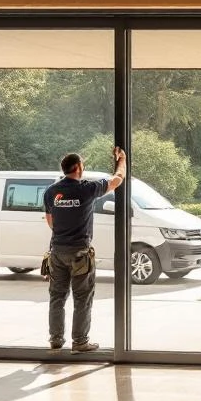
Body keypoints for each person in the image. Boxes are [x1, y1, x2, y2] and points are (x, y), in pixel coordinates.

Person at [43, 147, 126, 352]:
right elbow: (117, 180)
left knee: (57, 297)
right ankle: (80, 342)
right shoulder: (87, 189)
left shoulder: (51, 192)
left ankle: (55, 339)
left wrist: (65, 230)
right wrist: (122, 160)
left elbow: (50, 221)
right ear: (79, 168)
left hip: (57, 251)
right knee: (82, 297)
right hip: (80, 252)